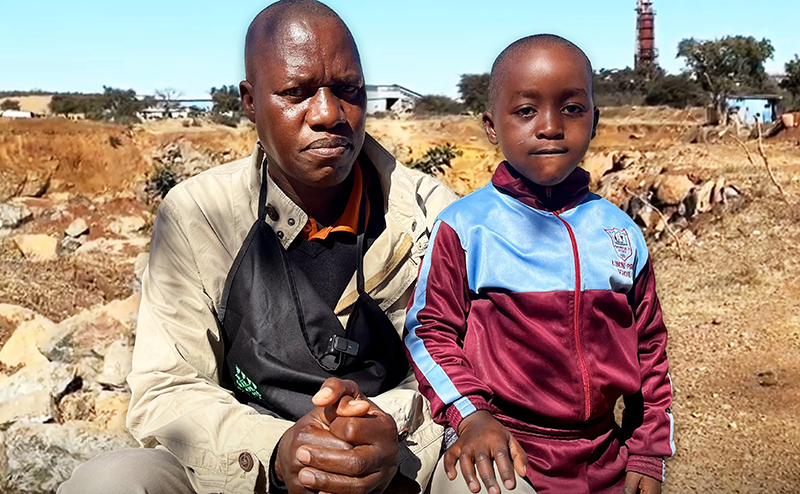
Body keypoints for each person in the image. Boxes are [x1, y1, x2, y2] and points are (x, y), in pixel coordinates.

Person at [58, 1, 456, 493]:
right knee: (112, 481)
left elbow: (467, 368)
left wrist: (380, 429)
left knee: (495, 479)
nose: (329, 114)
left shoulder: (429, 212)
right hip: (250, 472)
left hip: (397, 464)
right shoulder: (199, 214)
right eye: (295, 92)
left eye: (349, 91)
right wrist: (281, 449)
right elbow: (167, 388)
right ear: (250, 101)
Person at [405, 35, 674, 494]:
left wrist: (648, 450)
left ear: (594, 121)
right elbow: (428, 332)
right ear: (493, 127)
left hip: (603, 454)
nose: (550, 126)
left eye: (571, 109)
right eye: (526, 111)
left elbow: (649, 347)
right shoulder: (467, 226)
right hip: (504, 447)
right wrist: (472, 415)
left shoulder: (620, 231)